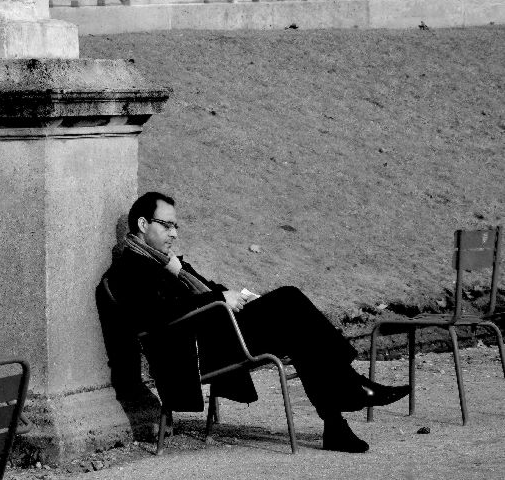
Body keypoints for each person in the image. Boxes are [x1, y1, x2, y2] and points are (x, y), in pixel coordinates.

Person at [106, 191, 410, 453]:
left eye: (176, 225)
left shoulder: (169, 264)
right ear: (143, 225)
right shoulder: (131, 268)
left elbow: (207, 288)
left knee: (298, 331)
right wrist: (219, 299)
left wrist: (236, 296)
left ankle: (336, 423)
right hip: (198, 350)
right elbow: (159, 316)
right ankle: (351, 387)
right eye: (166, 225)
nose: (174, 233)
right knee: (290, 302)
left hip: (219, 331)